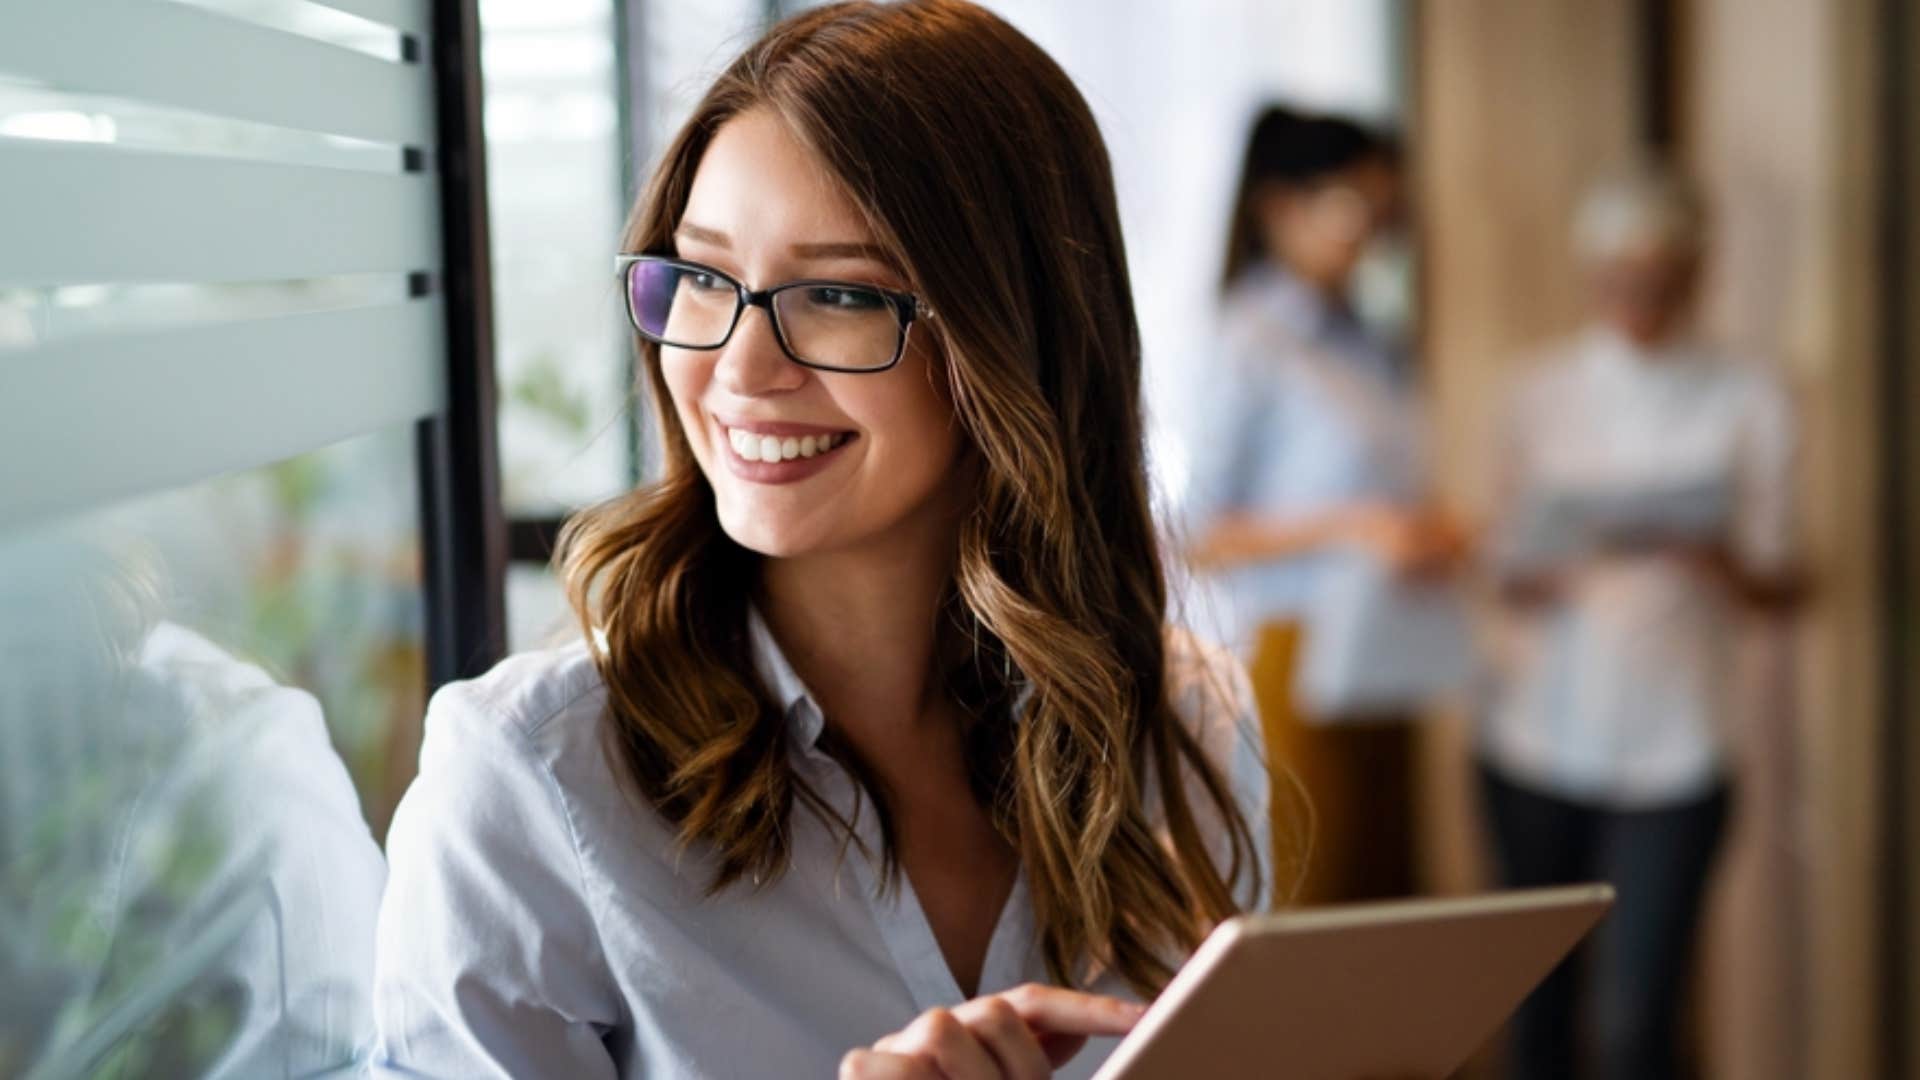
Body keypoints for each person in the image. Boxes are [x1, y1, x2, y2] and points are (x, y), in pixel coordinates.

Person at [368, 3, 1271, 1078]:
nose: (740, 369)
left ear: (1013, 338)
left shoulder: (1182, 726)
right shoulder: (530, 784)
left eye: (839, 293)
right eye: (702, 278)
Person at [1479, 163, 1802, 1080]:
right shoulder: (1536, 392)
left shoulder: (1751, 395)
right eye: (1620, 282)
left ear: (1697, 275)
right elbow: (1497, 566)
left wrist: (1717, 557)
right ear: (1591, 278)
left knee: (1636, 1021)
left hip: (1682, 740)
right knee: (1536, 1010)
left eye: (1661, 283)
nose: (1640, 302)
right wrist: (1542, 558)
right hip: (1538, 735)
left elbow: (1783, 582)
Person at [1183, 106, 1460, 903]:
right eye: (1351, 207)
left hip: (1387, 645)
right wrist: (1357, 528)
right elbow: (1199, 533)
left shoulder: (1368, 341)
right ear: (1279, 206)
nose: (1368, 233)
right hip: (1292, 653)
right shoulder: (1251, 340)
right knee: (1310, 899)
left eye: (1383, 210)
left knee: (1386, 898)